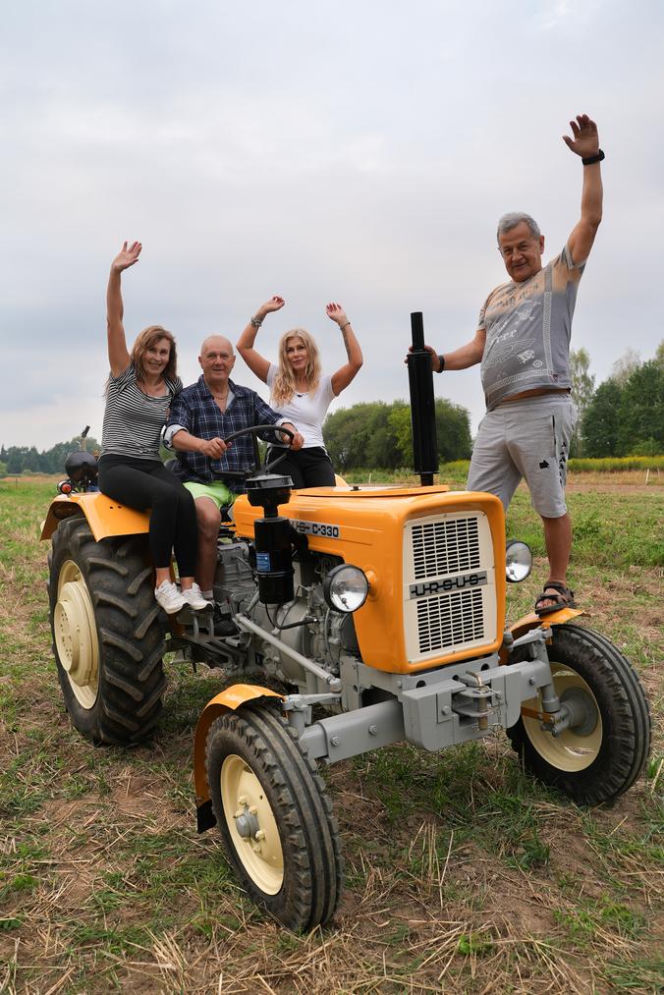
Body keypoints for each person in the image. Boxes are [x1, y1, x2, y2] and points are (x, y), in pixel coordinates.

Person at [421, 114, 603, 616]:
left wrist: (591, 158)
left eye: (523, 246)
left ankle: (558, 583)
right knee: (475, 508)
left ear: (540, 245)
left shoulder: (558, 277)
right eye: (507, 250)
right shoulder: (496, 296)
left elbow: (590, 220)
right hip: (496, 416)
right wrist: (438, 361)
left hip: (542, 407)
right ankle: (471, 589)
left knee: (550, 502)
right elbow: (477, 348)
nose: (516, 255)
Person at [98, 241, 208, 615]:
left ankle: (189, 585)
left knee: (185, 500)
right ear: (141, 350)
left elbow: (186, 420)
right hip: (117, 463)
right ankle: (163, 582)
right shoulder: (123, 377)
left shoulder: (173, 387)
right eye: (153, 350)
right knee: (164, 497)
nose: (158, 357)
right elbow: (114, 322)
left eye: (164, 353)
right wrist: (115, 274)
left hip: (150, 462)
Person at [164, 335, 303, 601]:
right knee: (210, 519)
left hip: (242, 485)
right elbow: (173, 435)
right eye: (212, 356)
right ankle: (206, 598)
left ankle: (278, 590)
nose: (218, 361)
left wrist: (290, 433)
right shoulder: (187, 398)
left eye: (224, 356)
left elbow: (275, 422)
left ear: (233, 361)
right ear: (201, 361)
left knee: (283, 518)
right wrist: (202, 445)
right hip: (201, 482)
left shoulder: (247, 397)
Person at [236, 297, 363, 487]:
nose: (295, 354)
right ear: (285, 355)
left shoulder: (326, 385)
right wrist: (262, 311)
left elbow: (356, 362)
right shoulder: (275, 376)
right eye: (290, 350)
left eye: (300, 348)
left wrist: (343, 323)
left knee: (325, 499)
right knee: (292, 499)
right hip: (281, 453)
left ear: (309, 351)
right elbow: (244, 347)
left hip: (314, 453)